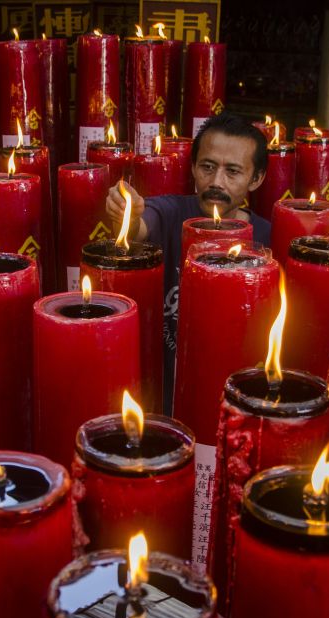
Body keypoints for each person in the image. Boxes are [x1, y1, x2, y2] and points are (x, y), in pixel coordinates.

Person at [104, 112, 271, 406]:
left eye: (233, 171)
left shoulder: (267, 241)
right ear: (193, 167)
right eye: (207, 167)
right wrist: (127, 217)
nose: (217, 181)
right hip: (167, 398)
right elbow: (141, 225)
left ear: (256, 178)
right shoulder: (170, 214)